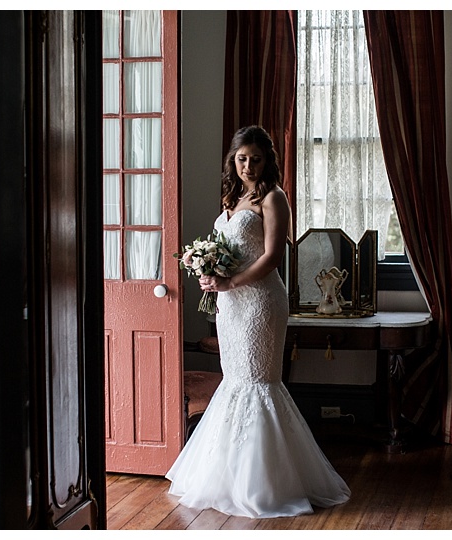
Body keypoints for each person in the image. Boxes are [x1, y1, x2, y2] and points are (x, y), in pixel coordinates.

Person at [165, 126, 351, 518]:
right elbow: (226, 250)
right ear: (233, 161)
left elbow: (270, 258)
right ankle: (226, 477)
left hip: (261, 303)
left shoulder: (273, 198)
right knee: (235, 381)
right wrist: (207, 272)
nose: (248, 166)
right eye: (241, 159)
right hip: (230, 304)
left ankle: (267, 483)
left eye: (256, 158)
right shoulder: (232, 197)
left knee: (258, 382)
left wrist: (229, 280)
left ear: (268, 161)